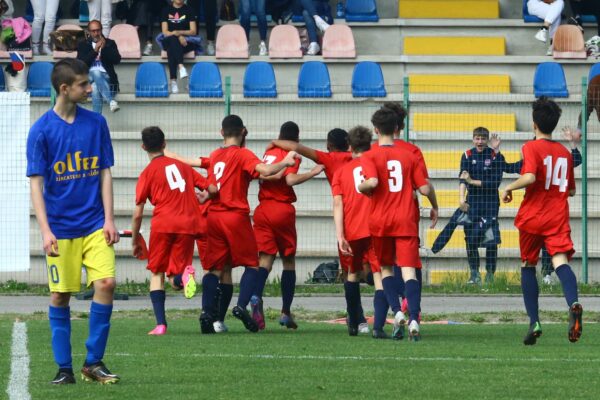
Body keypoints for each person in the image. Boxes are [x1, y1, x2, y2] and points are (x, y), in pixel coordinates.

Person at [26, 58, 120, 384]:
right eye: (83, 84)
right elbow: (36, 184)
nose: (90, 89)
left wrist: (109, 218)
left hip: (95, 223)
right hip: (61, 229)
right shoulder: (41, 131)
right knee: (60, 297)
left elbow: (105, 172)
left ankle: (93, 361)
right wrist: (45, 230)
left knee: (106, 284)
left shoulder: (96, 124)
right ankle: (64, 369)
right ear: (65, 89)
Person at [198, 115, 300, 334]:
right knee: (253, 264)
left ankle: (206, 312)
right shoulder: (243, 154)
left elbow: (212, 186)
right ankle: (241, 306)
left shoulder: (215, 155)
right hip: (234, 215)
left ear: (221, 133)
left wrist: (204, 197)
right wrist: (285, 162)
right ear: (243, 132)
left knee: (215, 268)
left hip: (213, 217)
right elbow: (265, 170)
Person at [269, 128, 371, 334]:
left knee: (351, 273)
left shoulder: (329, 158)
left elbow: (298, 147)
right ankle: (398, 302)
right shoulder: (365, 157)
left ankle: (356, 319)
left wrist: (275, 142)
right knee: (376, 271)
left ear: (329, 145)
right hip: (372, 218)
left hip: (349, 221)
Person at [501, 97, 583, 345]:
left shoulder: (530, 147)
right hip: (557, 216)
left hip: (533, 217)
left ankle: (534, 321)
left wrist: (507, 189)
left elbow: (529, 176)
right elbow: (571, 191)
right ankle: (574, 303)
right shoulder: (564, 154)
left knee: (528, 265)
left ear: (534, 123)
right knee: (559, 261)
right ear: (555, 125)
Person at [358, 108, 437, 341]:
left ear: (375, 130)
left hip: (380, 221)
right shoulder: (409, 156)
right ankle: (414, 318)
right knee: (410, 271)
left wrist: (363, 187)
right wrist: (434, 204)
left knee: (385, 269)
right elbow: (424, 188)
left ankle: (397, 312)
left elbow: (371, 182)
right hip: (405, 220)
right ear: (396, 129)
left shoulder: (369, 155)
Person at [131, 126, 209, 336]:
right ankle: (183, 278)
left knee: (157, 272)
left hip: (163, 224)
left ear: (143, 147)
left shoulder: (147, 173)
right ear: (165, 144)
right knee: (174, 277)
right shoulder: (182, 167)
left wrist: (135, 239)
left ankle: (161, 325)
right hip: (188, 224)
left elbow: (138, 213)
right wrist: (204, 197)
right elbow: (211, 188)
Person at [250, 121, 324, 330]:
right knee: (288, 261)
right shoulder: (291, 154)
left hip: (262, 209)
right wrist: (313, 172)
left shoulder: (270, 152)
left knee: (264, 260)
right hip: (281, 209)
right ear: (296, 140)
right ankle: (285, 312)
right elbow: (289, 179)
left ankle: (255, 296)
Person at [332, 126, 388, 338]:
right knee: (379, 274)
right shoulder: (376, 166)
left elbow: (338, 204)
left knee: (353, 274)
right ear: (370, 143)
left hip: (353, 229)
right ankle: (378, 325)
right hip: (376, 228)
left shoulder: (341, 171)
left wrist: (340, 235)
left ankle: (354, 320)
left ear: (349, 146)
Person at [458, 128, 519, 284]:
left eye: (483, 139)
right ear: (473, 139)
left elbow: (494, 184)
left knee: (491, 239)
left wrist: (497, 149)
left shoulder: (494, 156)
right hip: (472, 203)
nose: (480, 142)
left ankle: (490, 275)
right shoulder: (467, 155)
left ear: (487, 140)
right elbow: (463, 179)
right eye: (477, 138)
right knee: (470, 238)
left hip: (490, 203)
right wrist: (461, 199)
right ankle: (474, 274)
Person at [77, 20, 121, 114]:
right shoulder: (83, 44)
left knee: (95, 87)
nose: (96, 33)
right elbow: (81, 64)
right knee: (95, 72)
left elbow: (117, 60)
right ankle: (111, 101)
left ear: (101, 30)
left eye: (98, 30)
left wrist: (104, 48)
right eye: (93, 31)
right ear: (89, 32)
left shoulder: (110, 43)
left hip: (106, 77)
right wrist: (95, 50)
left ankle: (97, 118)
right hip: (88, 78)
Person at [161, 0, 197, 94]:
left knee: (171, 49)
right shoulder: (166, 10)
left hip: (185, 42)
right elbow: (165, 32)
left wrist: (180, 33)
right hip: (169, 40)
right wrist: (177, 35)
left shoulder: (189, 10)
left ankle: (173, 81)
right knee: (173, 40)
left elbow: (193, 31)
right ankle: (181, 66)